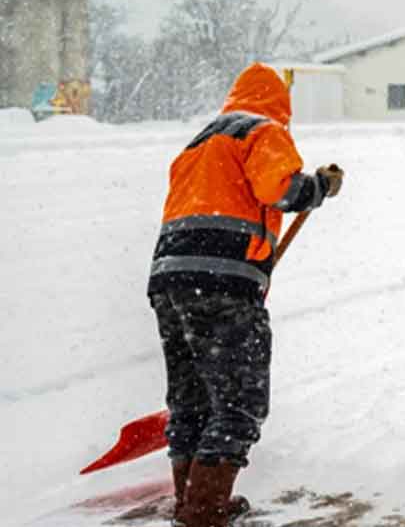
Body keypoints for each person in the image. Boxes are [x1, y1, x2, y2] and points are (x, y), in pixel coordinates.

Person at [147, 63, 343, 527]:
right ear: (280, 103)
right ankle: (204, 513)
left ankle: (189, 502)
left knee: (192, 398)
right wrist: (320, 186)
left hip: (169, 279)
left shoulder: (200, 141)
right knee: (239, 401)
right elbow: (282, 188)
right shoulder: (263, 130)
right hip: (224, 282)